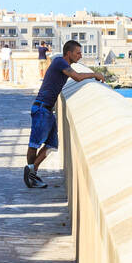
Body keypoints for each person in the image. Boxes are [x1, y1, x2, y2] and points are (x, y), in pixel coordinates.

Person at [24, 39, 103, 189]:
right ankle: (31, 173)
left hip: (48, 110)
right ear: (69, 53)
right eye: (78, 53)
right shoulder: (60, 62)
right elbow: (77, 77)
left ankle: (31, 171)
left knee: (52, 145)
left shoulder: (63, 63)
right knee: (34, 144)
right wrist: (95, 74)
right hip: (41, 108)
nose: (80, 56)